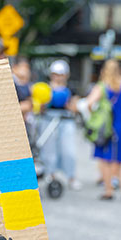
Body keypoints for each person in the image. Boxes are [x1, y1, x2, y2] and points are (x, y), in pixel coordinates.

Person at [86, 59, 121, 200]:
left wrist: (95, 116)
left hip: (107, 128)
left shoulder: (102, 87)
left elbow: (89, 103)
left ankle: (109, 190)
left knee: (106, 159)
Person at [39, 59, 80, 190]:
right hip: (49, 119)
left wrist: (68, 104)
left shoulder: (71, 89)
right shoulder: (45, 88)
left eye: (61, 74)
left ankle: (71, 177)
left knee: (69, 150)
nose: (58, 77)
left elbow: (75, 108)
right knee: (49, 150)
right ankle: (51, 176)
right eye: (56, 74)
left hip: (65, 120)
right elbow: (40, 108)